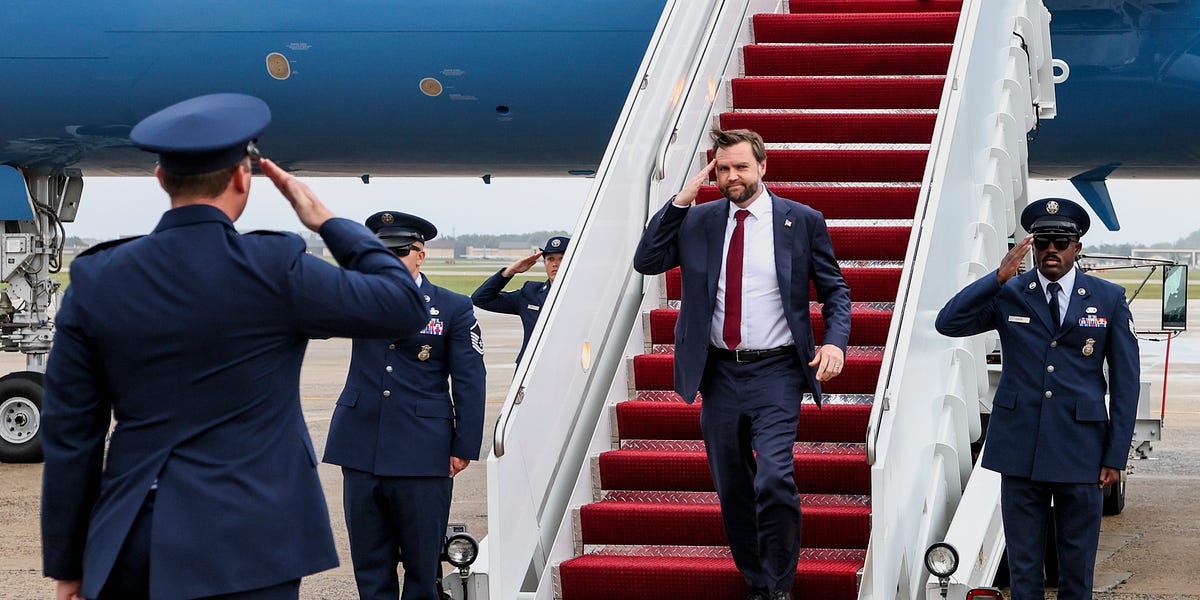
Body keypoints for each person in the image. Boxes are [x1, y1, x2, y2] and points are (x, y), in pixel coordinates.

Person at [39, 93, 430, 600]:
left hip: (135, 539)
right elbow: (403, 305)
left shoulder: (96, 278)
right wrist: (327, 221)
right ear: (243, 179)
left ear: (161, 178)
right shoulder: (275, 266)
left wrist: (69, 564)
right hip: (254, 543)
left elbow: (71, 433)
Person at [632, 128, 852, 600]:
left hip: (777, 370)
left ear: (762, 167)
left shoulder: (801, 220)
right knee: (733, 486)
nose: (732, 176)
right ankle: (757, 582)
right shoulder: (699, 220)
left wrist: (834, 343)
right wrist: (680, 201)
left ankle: (779, 586)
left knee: (773, 477)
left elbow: (835, 290)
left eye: (742, 167)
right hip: (720, 372)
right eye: (724, 168)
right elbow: (647, 260)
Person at [935, 197, 1140, 600]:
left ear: (1077, 247)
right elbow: (948, 322)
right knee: (1023, 569)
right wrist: (997, 277)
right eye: (1043, 241)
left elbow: (1126, 383)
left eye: (1061, 242)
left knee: (1076, 569)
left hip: (1081, 450)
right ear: (1032, 245)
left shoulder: (1108, 298)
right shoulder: (1010, 292)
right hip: (1021, 448)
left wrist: (1115, 455)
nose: (1051, 250)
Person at [323, 211, 486, 600]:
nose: (391, 260)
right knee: (370, 566)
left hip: (422, 451)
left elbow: (469, 380)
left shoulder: (452, 307)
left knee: (422, 567)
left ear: (421, 255)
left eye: (400, 252)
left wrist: (464, 446)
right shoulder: (358, 299)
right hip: (360, 447)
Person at [470, 235, 569, 363]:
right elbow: (480, 299)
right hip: (531, 367)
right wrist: (510, 272)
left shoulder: (584, 296)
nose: (555, 264)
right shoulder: (531, 293)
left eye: (562, 259)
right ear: (544, 262)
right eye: (550, 259)